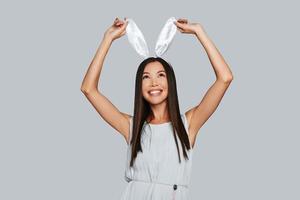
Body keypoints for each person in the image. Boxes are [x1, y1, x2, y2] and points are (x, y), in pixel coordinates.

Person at [80, 17, 233, 200]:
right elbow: (88, 89)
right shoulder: (132, 126)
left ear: (171, 81)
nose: (154, 83)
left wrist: (199, 31)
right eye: (146, 77)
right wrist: (107, 39)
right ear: (139, 85)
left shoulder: (189, 124)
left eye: (160, 75)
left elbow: (225, 78)